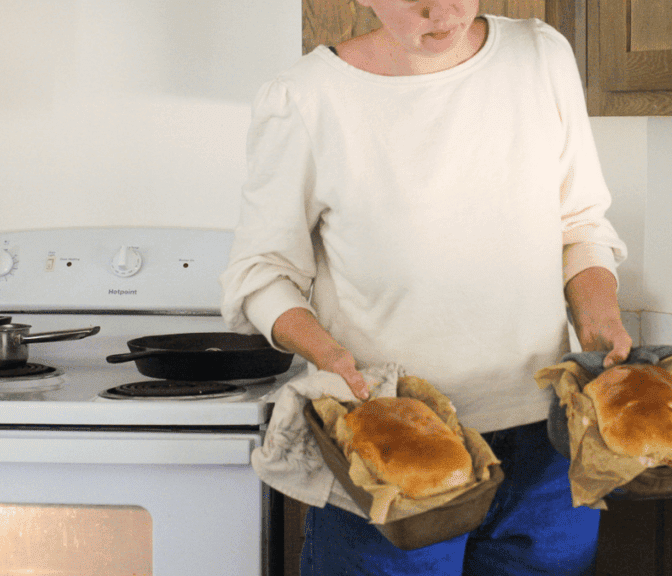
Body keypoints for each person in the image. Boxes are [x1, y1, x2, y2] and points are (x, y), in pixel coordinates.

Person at [220, 0, 631, 573]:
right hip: (388, 447)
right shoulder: (306, 97)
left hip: (545, 446)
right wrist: (327, 353)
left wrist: (599, 315)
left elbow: (579, 220)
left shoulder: (540, 56)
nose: (440, 10)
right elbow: (261, 274)